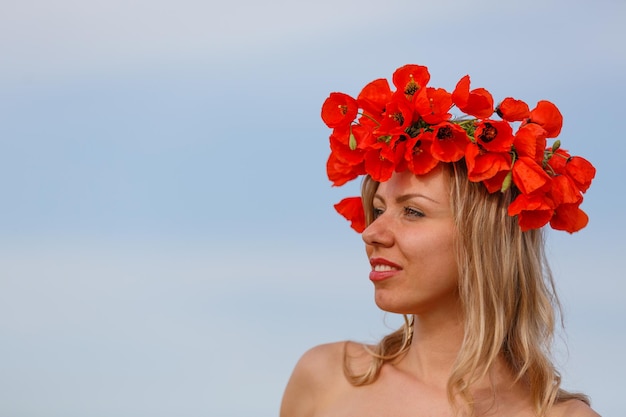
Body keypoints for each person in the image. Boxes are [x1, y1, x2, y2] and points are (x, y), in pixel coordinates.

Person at [279, 64, 600, 417]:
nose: (371, 232)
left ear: (484, 238)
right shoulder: (324, 379)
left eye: (413, 212)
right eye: (378, 208)